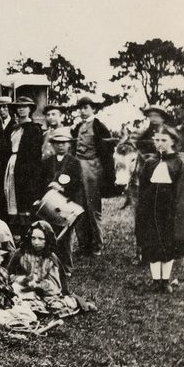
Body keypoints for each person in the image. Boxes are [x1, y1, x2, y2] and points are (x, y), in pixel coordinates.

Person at [135, 126, 184, 293]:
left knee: (167, 245)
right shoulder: (150, 162)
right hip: (152, 210)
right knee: (152, 243)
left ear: (173, 141)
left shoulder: (179, 163)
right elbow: (143, 187)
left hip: (170, 211)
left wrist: (179, 209)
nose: (159, 143)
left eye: (164, 140)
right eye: (157, 140)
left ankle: (165, 281)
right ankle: (155, 280)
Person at [9, 221, 87, 317]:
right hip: (24, 289)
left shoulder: (50, 258)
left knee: (58, 304)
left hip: (45, 293)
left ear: (47, 240)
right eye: (33, 238)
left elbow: (56, 285)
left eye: (41, 239)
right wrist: (20, 279)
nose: (36, 242)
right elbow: (9, 273)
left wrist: (39, 285)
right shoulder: (21, 253)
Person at [71, 96, 115, 256]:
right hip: (78, 169)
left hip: (93, 170)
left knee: (93, 208)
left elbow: (108, 151)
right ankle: (84, 245)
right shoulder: (77, 127)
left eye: (86, 108)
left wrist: (106, 175)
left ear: (94, 109)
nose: (82, 111)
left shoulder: (99, 127)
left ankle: (97, 245)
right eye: (80, 108)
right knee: (79, 207)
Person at [40, 127, 86, 272]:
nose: (60, 145)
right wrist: (48, 187)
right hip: (50, 204)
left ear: (69, 145)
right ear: (52, 144)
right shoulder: (47, 162)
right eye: (57, 143)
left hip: (67, 204)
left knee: (65, 238)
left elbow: (78, 183)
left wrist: (63, 188)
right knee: (49, 234)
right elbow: (41, 181)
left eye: (64, 143)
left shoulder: (74, 162)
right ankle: (50, 265)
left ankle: (66, 267)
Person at [1, 96, 44, 235]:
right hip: (12, 164)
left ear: (30, 109)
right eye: (19, 107)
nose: (21, 109)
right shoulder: (13, 129)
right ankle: (14, 230)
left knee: (24, 197)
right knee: (11, 194)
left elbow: (35, 154)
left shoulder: (34, 129)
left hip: (26, 167)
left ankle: (26, 231)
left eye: (25, 106)